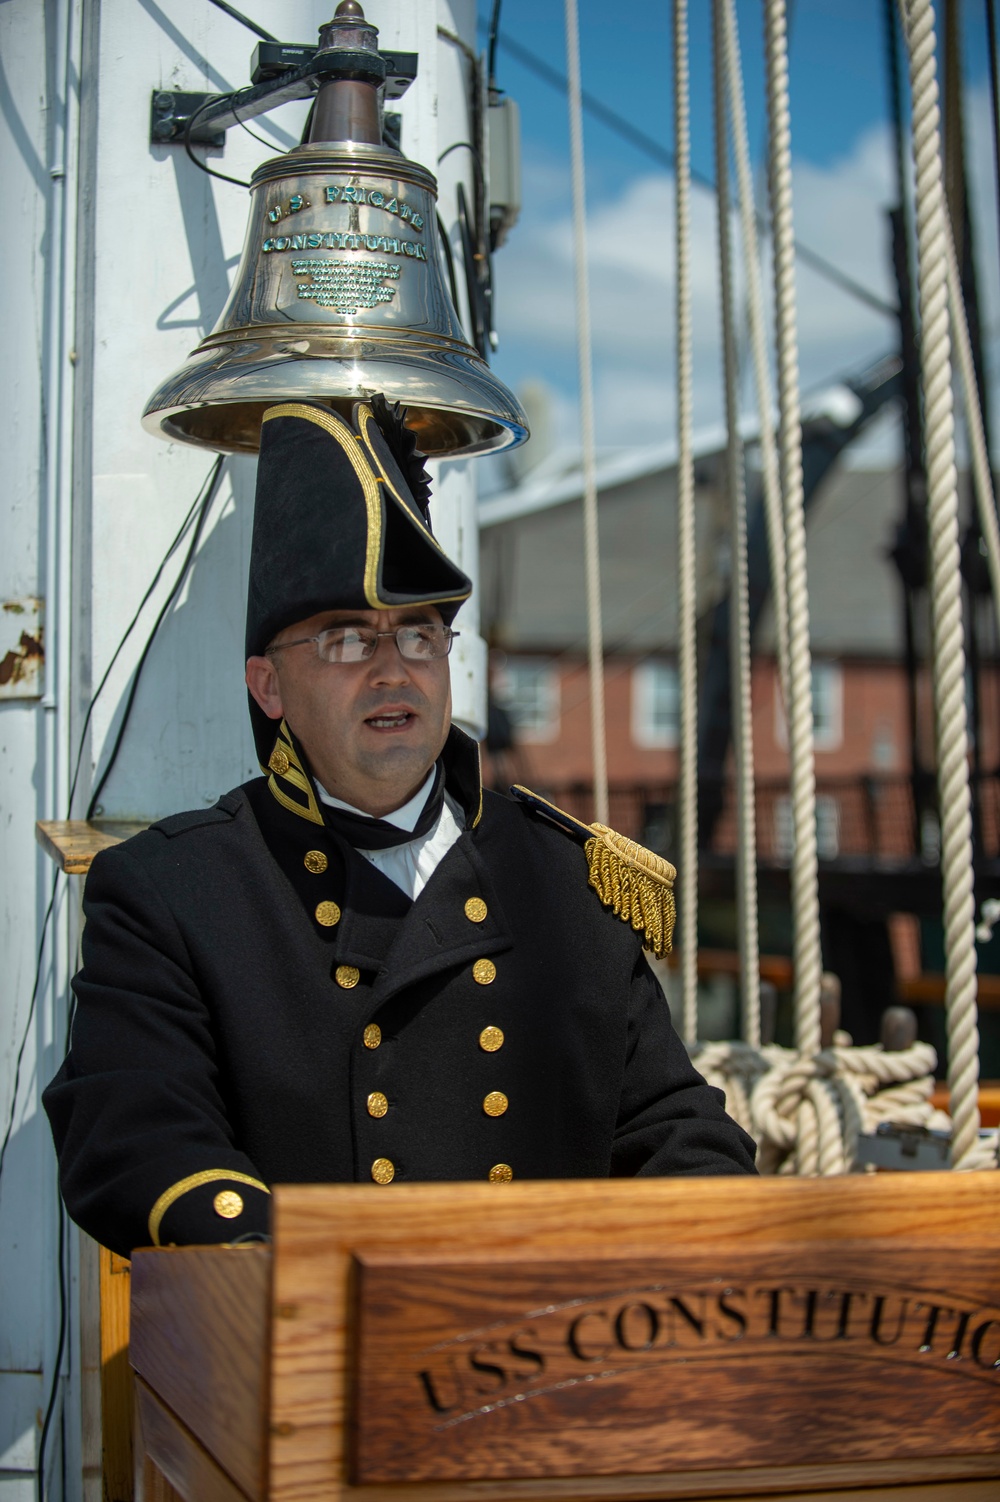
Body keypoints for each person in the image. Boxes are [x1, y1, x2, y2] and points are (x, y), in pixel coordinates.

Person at [44, 398, 755, 1259]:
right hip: (309, 1359)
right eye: (347, 640)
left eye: (419, 635)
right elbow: (137, 1140)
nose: (393, 670)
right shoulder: (174, 893)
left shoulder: (569, 881)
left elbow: (671, 1126)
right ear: (269, 688)